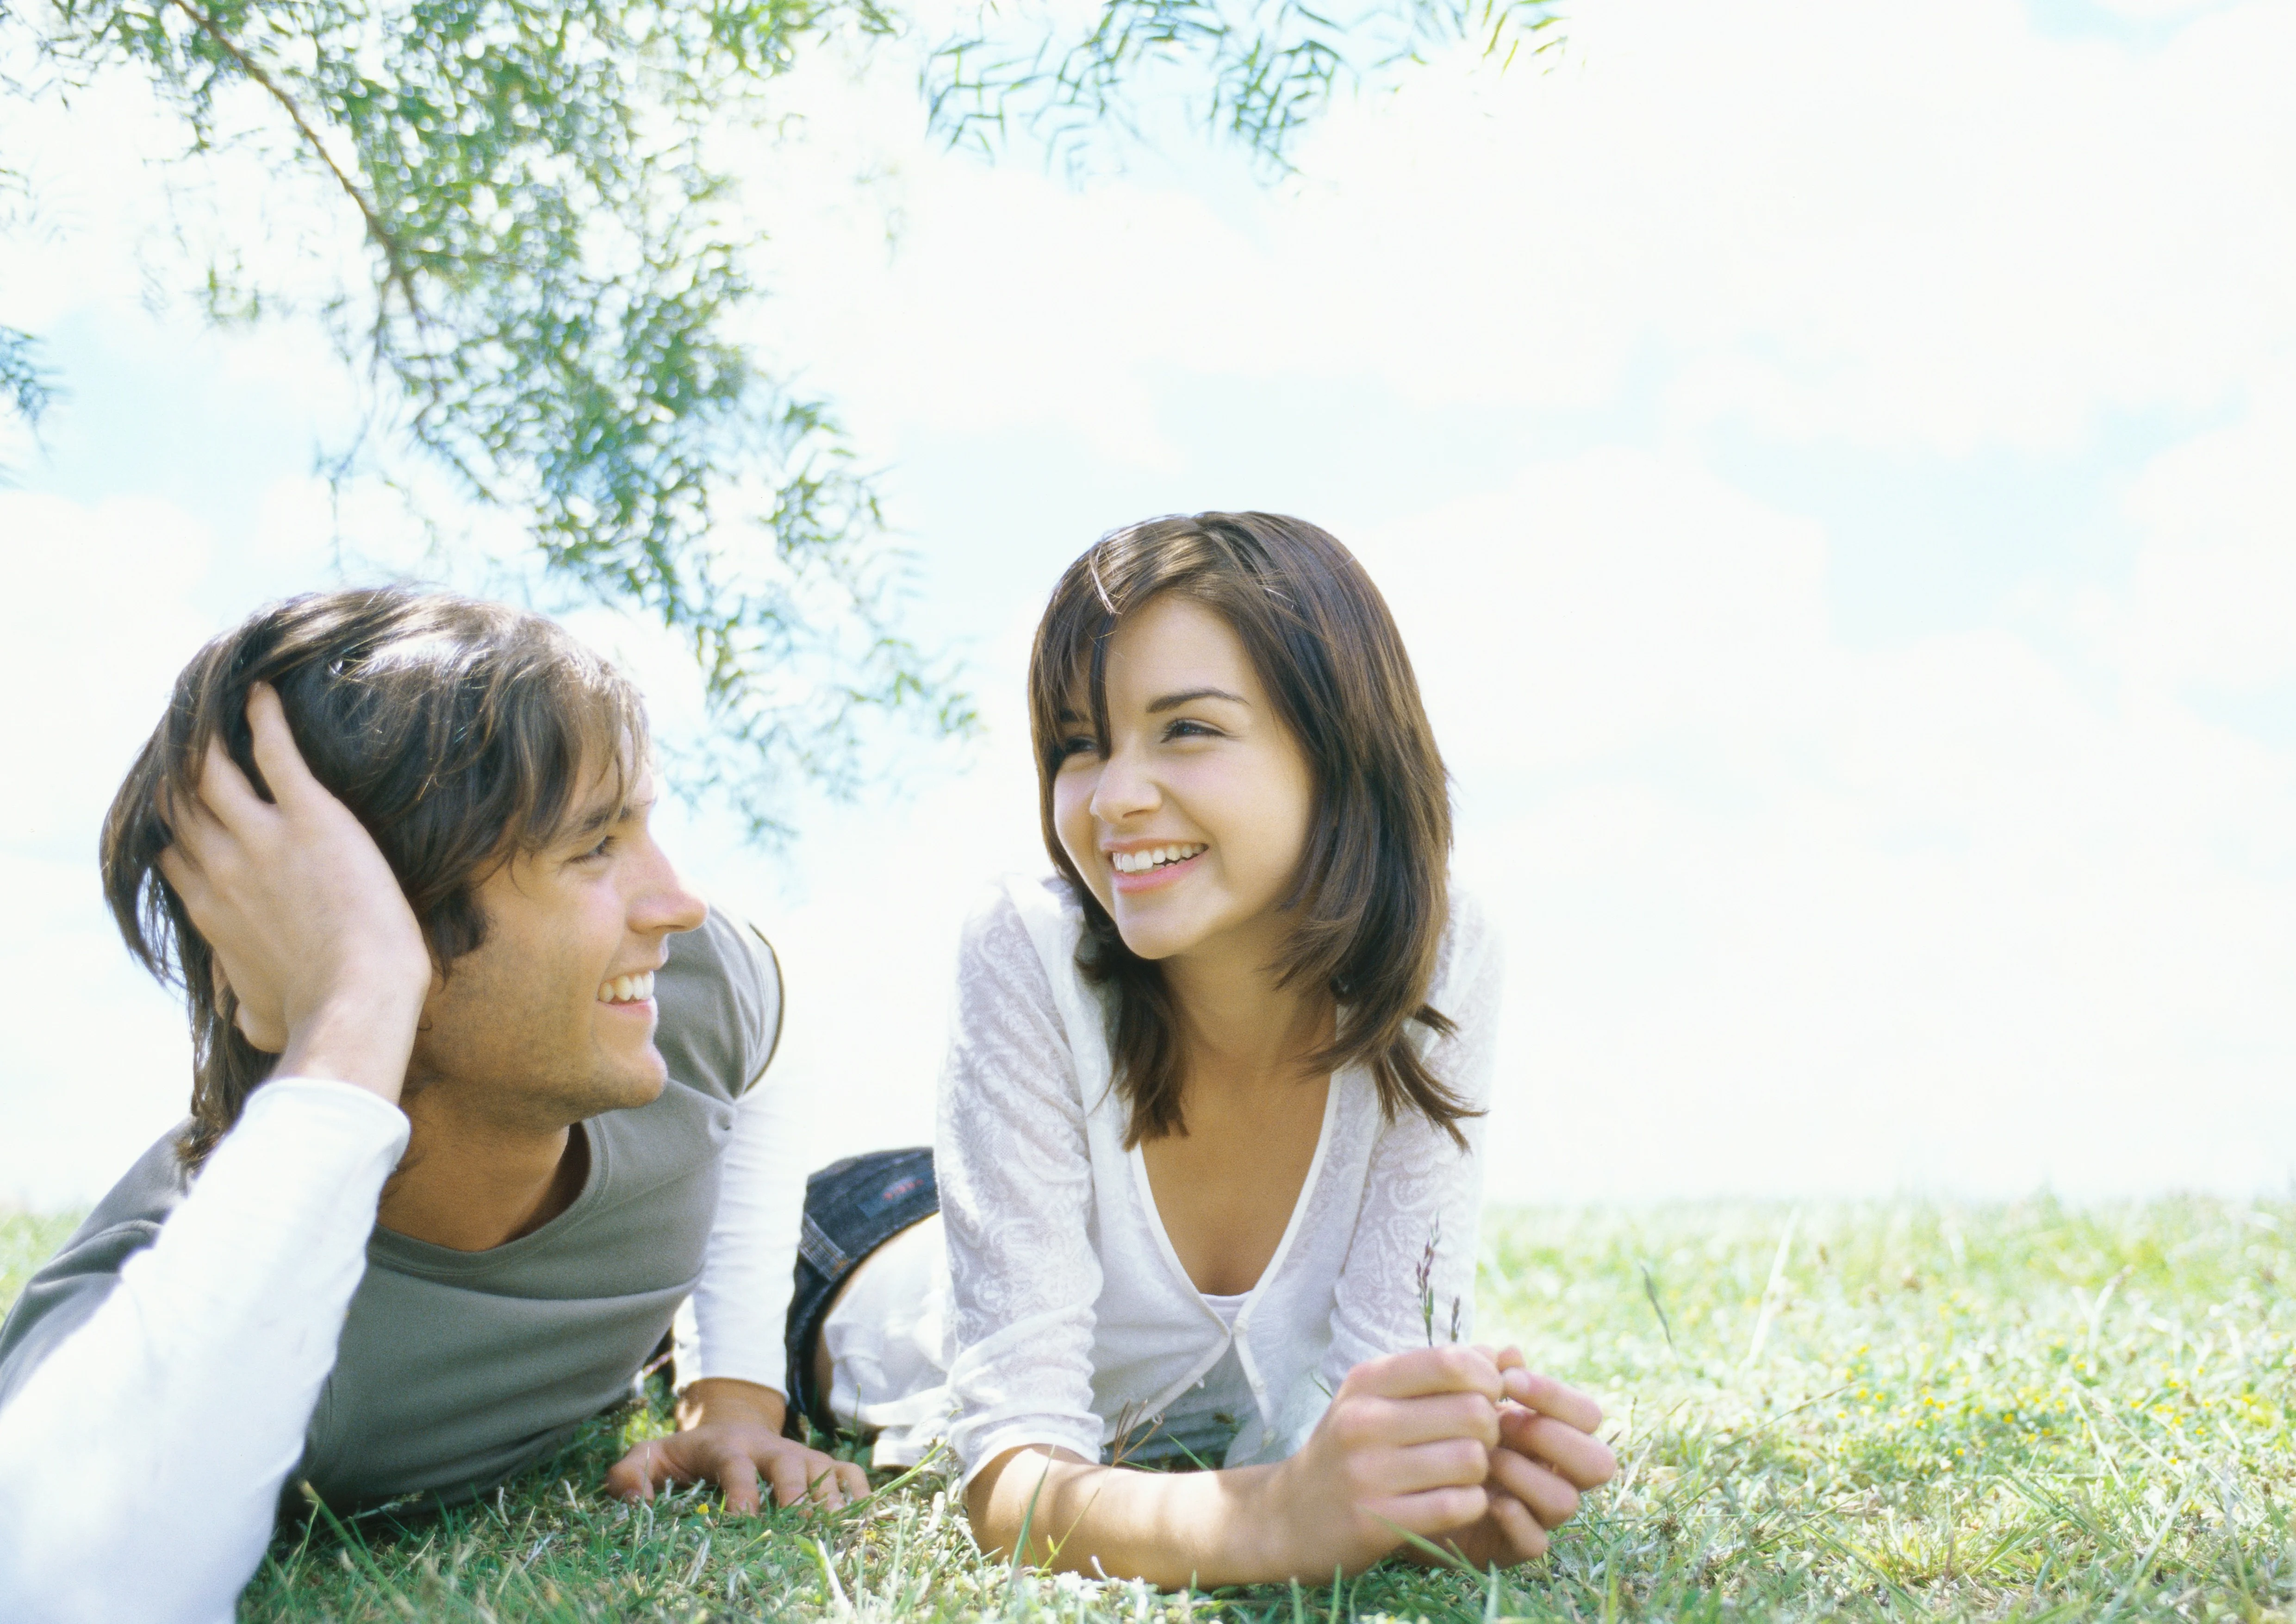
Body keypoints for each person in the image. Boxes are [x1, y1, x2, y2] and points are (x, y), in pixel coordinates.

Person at [0, 589, 865, 1624]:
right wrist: (359, 999)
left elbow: (778, 1031)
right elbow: (56, 1581)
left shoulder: (686, 991)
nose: (674, 901)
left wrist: (733, 1391)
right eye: (593, 844)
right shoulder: (192, 1293)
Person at [786, 513, 1619, 1588]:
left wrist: (1436, 1484)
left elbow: (1365, 1386)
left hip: (1001, 1205)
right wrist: (1271, 1518)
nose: (1116, 794)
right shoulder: (1026, 942)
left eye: (1185, 729)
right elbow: (1011, 1477)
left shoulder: (1441, 955)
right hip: (868, 1253)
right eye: (1080, 743)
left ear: (1339, 748)